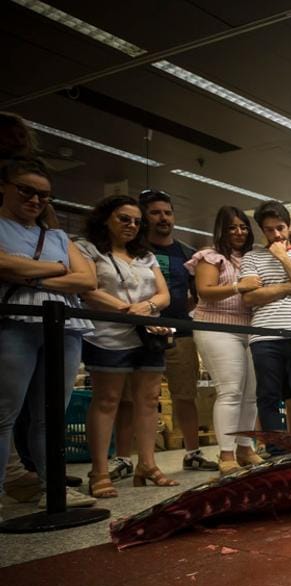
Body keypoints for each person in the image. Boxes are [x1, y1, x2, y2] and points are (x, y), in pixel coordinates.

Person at [0, 158, 98, 508]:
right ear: (4, 187)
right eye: (26, 190)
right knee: (5, 412)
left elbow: (87, 279)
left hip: (65, 325)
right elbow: (2, 264)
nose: (35, 200)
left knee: (52, 413)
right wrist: (57, 269)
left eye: (44, 195)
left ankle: (52, 487)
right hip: (15, 320)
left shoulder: (56, 235)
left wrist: (31, 273)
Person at [77, 195, 179, 496]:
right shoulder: (88, 249)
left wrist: (145, 308)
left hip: (148, 334)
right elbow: (88, 289)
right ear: (105, 219)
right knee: (107, 400)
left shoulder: (145, 255)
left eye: (136, 221)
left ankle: (147, 464)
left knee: (148, 400)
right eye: (124, 218)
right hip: (107, 334)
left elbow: (164, 296)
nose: (131, 225)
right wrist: (126, 309)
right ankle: (99, 470)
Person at [135, 189, 217, 471]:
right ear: (144, 217)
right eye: (155, 212)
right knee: (136, 397)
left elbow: (199, 294)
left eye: (167, 213)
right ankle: (128, 458)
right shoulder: (135, 250)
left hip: (179, 332)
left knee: (185, 394)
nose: (163, 218)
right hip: (139, 331)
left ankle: (192, 453)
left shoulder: (186, 254)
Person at [185, 206, 263, 476]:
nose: (239, 232)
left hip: (250, 329)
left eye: (243, 227)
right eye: (232, 227)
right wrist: (238, 287)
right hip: (217, 327)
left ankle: (245, 447)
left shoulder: (254, 258)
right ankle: (226, 454)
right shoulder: (210, 257)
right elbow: (204, 292)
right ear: (221, 230)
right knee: (230, 391)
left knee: (251, 393)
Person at [236, 200, 291, 440]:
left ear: (289, 227)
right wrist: (288, 287)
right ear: (262, 230)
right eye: (269, 229)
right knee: (268, 395)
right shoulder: (252, 258)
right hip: (265, 336)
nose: (276, 234)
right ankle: (276, 451)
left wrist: (284, 258)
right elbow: (250, 298)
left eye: (280, 228)